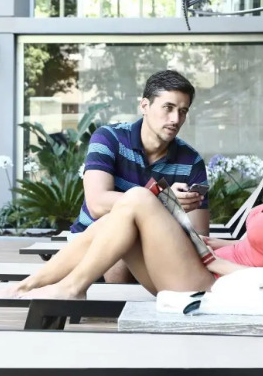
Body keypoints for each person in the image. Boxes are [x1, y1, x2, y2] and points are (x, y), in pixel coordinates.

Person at [0, 106, 263, 299]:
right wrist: (199, 240)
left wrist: (212, 260)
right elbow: (251, 248)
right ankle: (33, 283)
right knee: (120, 213)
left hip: (209, 283)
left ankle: (71, 287)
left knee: (137, 198)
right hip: (205, 268)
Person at [74, 70, 209, 283]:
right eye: (168, 108)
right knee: (121, 233)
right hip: (88, 247)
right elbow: (97, 204)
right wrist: (166, 201)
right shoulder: (109, 138)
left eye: (183, 111)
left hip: (154, 253)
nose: (176, 119)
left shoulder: (191, 161)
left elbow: (199, 237)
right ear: (144, 106)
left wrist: (175, 211)